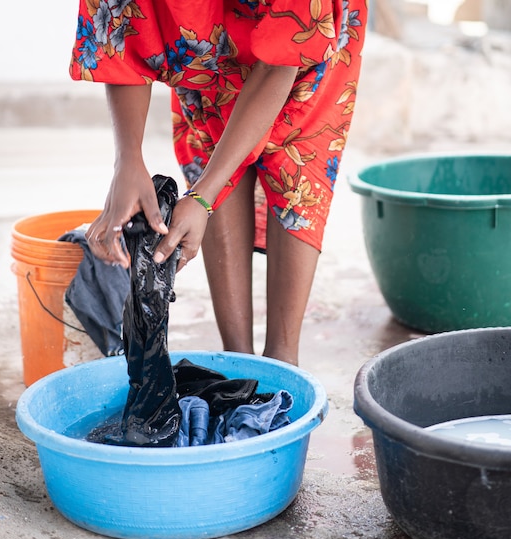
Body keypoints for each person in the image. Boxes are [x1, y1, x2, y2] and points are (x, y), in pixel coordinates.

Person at [70, 0, 367, 366]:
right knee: (213, 139)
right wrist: (128, 160)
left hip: (303, 42)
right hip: (204, 44)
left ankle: (283, 357)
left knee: (297, 168)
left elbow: (282, 60)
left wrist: (203, 196)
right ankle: (237, 358)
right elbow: (119, 27)